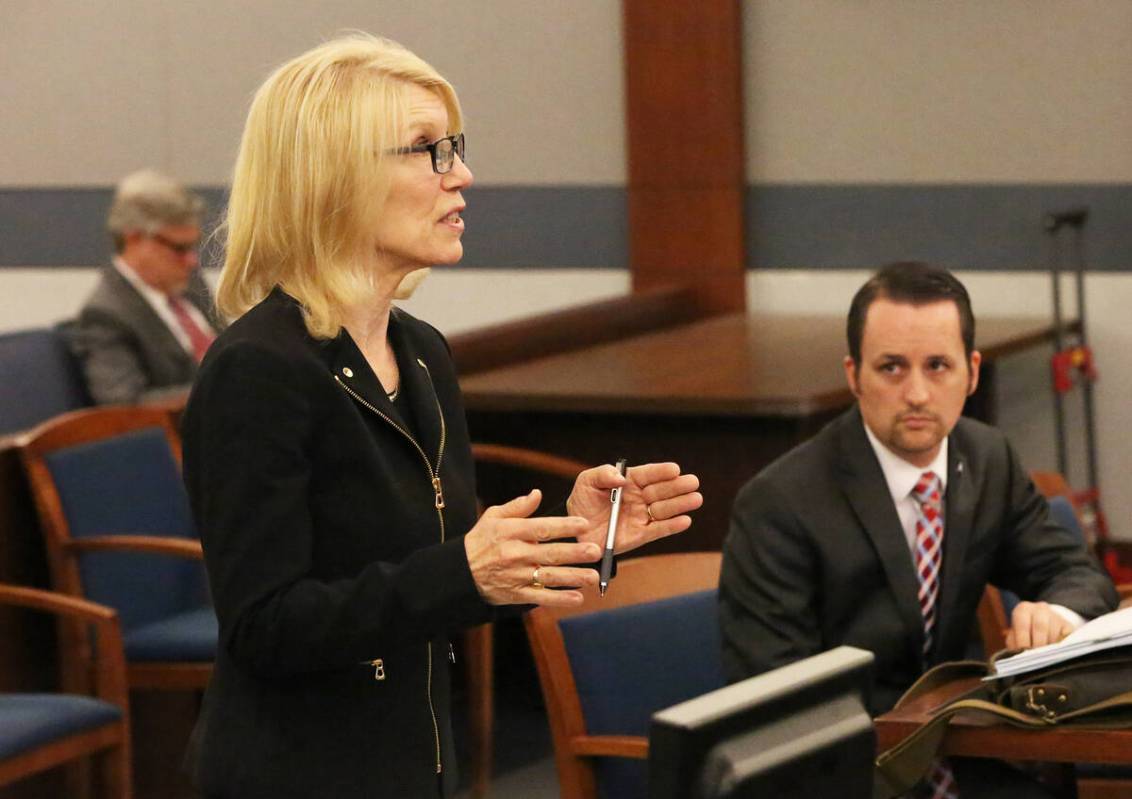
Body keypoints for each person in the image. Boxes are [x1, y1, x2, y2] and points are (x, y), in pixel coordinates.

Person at [179, 33, 703, 799]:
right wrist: (468, 568)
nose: (461, 175)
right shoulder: (257, 369)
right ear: (335, 175)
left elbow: (433, 569)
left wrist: (568, 540)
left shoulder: (420, 351)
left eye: (453, 147)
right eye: (427, 150)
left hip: (417, 762)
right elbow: (264, 627)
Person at [719, 262, 1117, 797]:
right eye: (891, 368)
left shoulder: (986, 458)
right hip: (843, 769)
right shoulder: (779, 503)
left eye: (937, 366)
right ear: (852, 374)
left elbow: (1076, 572)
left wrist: (1056, 613)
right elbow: (775, 697)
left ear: (972, 373)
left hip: (965, 750)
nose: (917, 394)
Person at [69, 169, 221, 405]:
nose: (192, 261)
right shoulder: (105, 314)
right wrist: (226, 390)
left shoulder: (190, 283)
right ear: (134, 239)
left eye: (193, 247)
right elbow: (125, 405)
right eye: (179, 249)